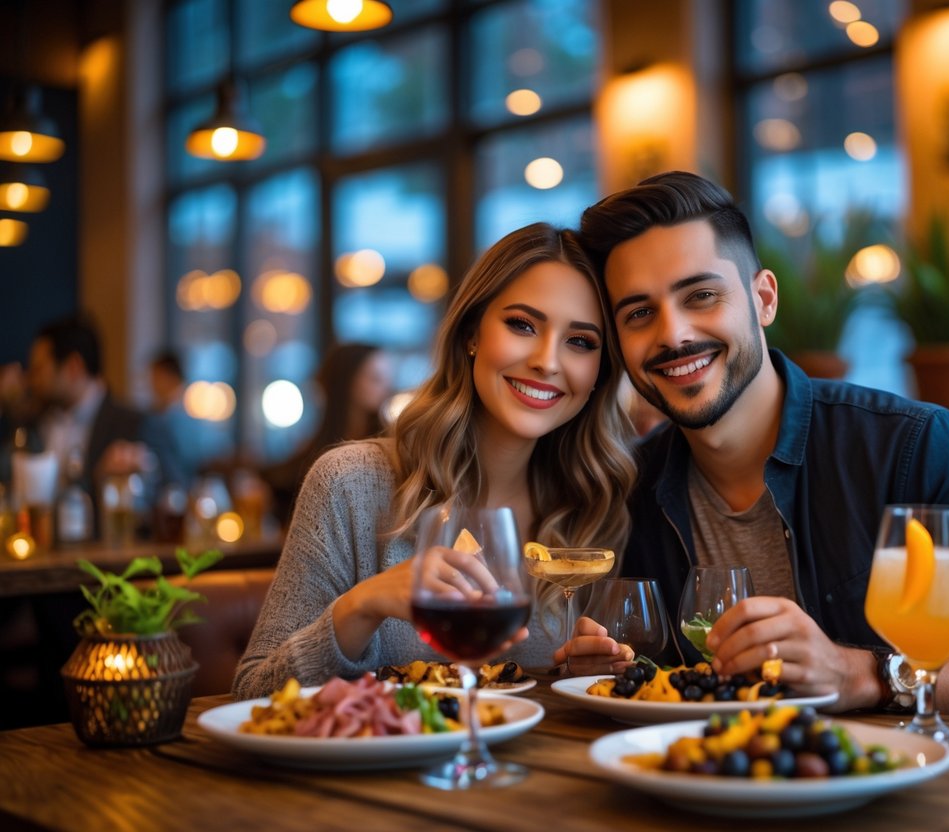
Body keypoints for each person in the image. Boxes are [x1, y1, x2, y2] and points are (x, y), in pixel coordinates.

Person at [557, 171, 949, 726]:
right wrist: (605, 671)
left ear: (764, 299)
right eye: (638, 313)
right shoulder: (629, 489)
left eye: (701, 295)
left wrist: (860, 674)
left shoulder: (913, 448)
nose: (673, 334)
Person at [233, 223, 636, 699]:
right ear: (472, 333)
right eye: (522, 325)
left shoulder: (596, 509)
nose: (548, 361)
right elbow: (252, 693)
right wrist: (360, 608)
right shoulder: (351, 484)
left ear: (599, 373)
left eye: (581, 342)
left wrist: (585, 680)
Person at [18, 316, 184, 512]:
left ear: (73, 366)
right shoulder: (32, 422)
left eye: (39, 369)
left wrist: (145, 474)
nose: (31, 379)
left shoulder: (136, 424)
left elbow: (177, 495)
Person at [260, 343, 393, 525]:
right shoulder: (315, 455)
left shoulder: (389, 448)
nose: (387, 388)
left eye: (387, 379)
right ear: (347, 380)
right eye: (376, 378)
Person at [146, 349, 232, 479]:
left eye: (155, 376)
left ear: (168, 376)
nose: (151, 383)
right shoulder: (159, 411)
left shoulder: (188, 410)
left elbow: (192, 457)